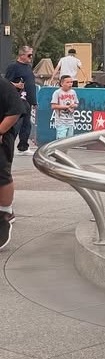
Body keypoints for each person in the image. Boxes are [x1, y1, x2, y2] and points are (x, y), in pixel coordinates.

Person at [0, 77, 24, 251]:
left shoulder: (3, 86)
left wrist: (0, 130)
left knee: (1, 173)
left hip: (2, 137)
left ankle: (5, 211)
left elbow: (15, 110)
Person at [4, 45, 36, 153]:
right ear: (22, 55)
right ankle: (8, 145)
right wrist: (16, 85)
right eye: (29, 55)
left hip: (28, 99)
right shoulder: (13, 66)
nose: (30, 58)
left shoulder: (28, 67)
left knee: (27, 124)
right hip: (18, 99)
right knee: (16, 124)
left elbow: (31, 84)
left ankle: (23, 146)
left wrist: (34, 101)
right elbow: (5, 82)